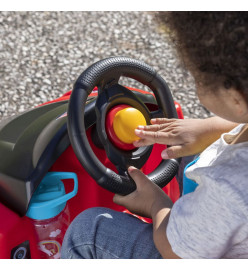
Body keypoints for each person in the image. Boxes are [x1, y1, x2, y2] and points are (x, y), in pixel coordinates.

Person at [61, 12, 248, 259]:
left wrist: (156, 204)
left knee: (88, 232)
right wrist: (211, 128)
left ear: (235, 98)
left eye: (198, 79)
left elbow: (176, 251)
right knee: (183, 153)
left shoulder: (230, 186)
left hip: (185, 250)